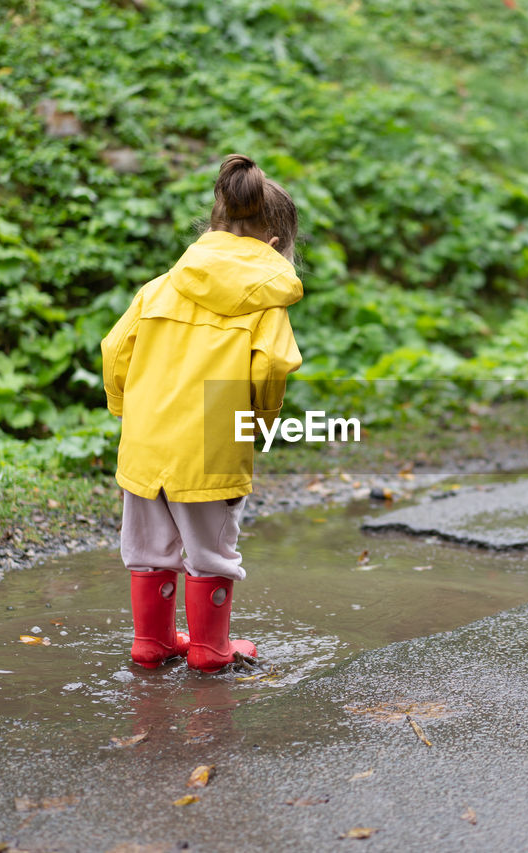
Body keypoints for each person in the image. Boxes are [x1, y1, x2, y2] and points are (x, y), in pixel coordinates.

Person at [101, 153, 302, 672]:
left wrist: (128, 410)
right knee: (211, 552)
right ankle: (210, 651)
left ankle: (152, 642)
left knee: (147, 548)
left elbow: (115, 348)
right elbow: (270, 368)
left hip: (146, 443)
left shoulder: (161, 286)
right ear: (274, 244)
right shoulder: (264, 304)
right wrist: (258, 425)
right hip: (211, 446)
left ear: (214, 225)